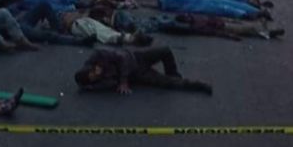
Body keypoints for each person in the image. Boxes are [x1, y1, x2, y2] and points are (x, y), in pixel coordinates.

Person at [74, 47, 212, 95]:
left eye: (94, 72)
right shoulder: (99, 82)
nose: (96, 74)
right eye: (94, 77)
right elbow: (107, 84)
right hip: (137, 74)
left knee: (165, 51)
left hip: (136, 57)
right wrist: (90, 87)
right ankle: (197, 85)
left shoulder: (98, 55)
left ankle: (173, 73)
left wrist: (123, 81)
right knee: (168, 83)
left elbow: (122, 57)